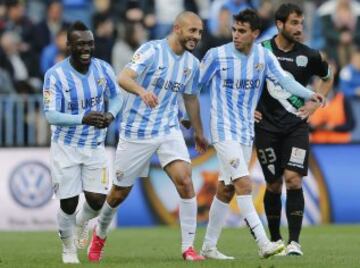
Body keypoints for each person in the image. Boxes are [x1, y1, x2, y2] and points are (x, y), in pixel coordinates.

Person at [198, 8, 325, 260]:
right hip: (223, 130)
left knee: (226, 189)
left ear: (255, 33)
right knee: (244, 183)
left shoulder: (263, 57)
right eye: (234, 30)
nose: (236, 35)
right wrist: (190, 121)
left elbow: (284, 81)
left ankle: (208, 247)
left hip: (246, 131)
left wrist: (309, 94)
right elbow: (195, 86)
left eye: (242, 31)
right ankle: (264, 242)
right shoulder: (217, 55)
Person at [87, 11, 208, 262]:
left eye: (199, 32)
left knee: (185, 180)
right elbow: (123, 77)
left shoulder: (192, 64)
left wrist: (198, 130)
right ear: (177, 28)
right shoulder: (152, 51)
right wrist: (142, 91)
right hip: (136, 132)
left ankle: (188, 248)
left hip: (167, 130)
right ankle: (100, 234)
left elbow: (190, 96)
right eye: (192, 30)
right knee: (119, 193)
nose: (196, 36)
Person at [254, 3, 333, 256]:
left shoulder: (310, 55)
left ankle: (294, 242)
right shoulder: (261, 51)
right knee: (274, 184)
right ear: (280, 25)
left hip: (296, 127)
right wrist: (249, 108)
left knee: (293, 179)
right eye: (294, 23)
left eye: (301, 23)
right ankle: (275, 239)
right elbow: (243, 80)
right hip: (265, 127)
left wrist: (313, 103)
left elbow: (328, 76)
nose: (300, 28)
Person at [43, 21, 123, 264]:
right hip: (65, 147)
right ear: (69, 46)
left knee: (98, 202)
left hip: (94, 146)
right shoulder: (55, 75)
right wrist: (82, 119)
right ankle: (68, 249)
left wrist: (111, 115)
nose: (86, 48)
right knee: (68, 203)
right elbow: (50, 114)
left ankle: (79, 224)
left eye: (90, 43)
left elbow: (117, 97)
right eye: (80, 44)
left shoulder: (103, 69)